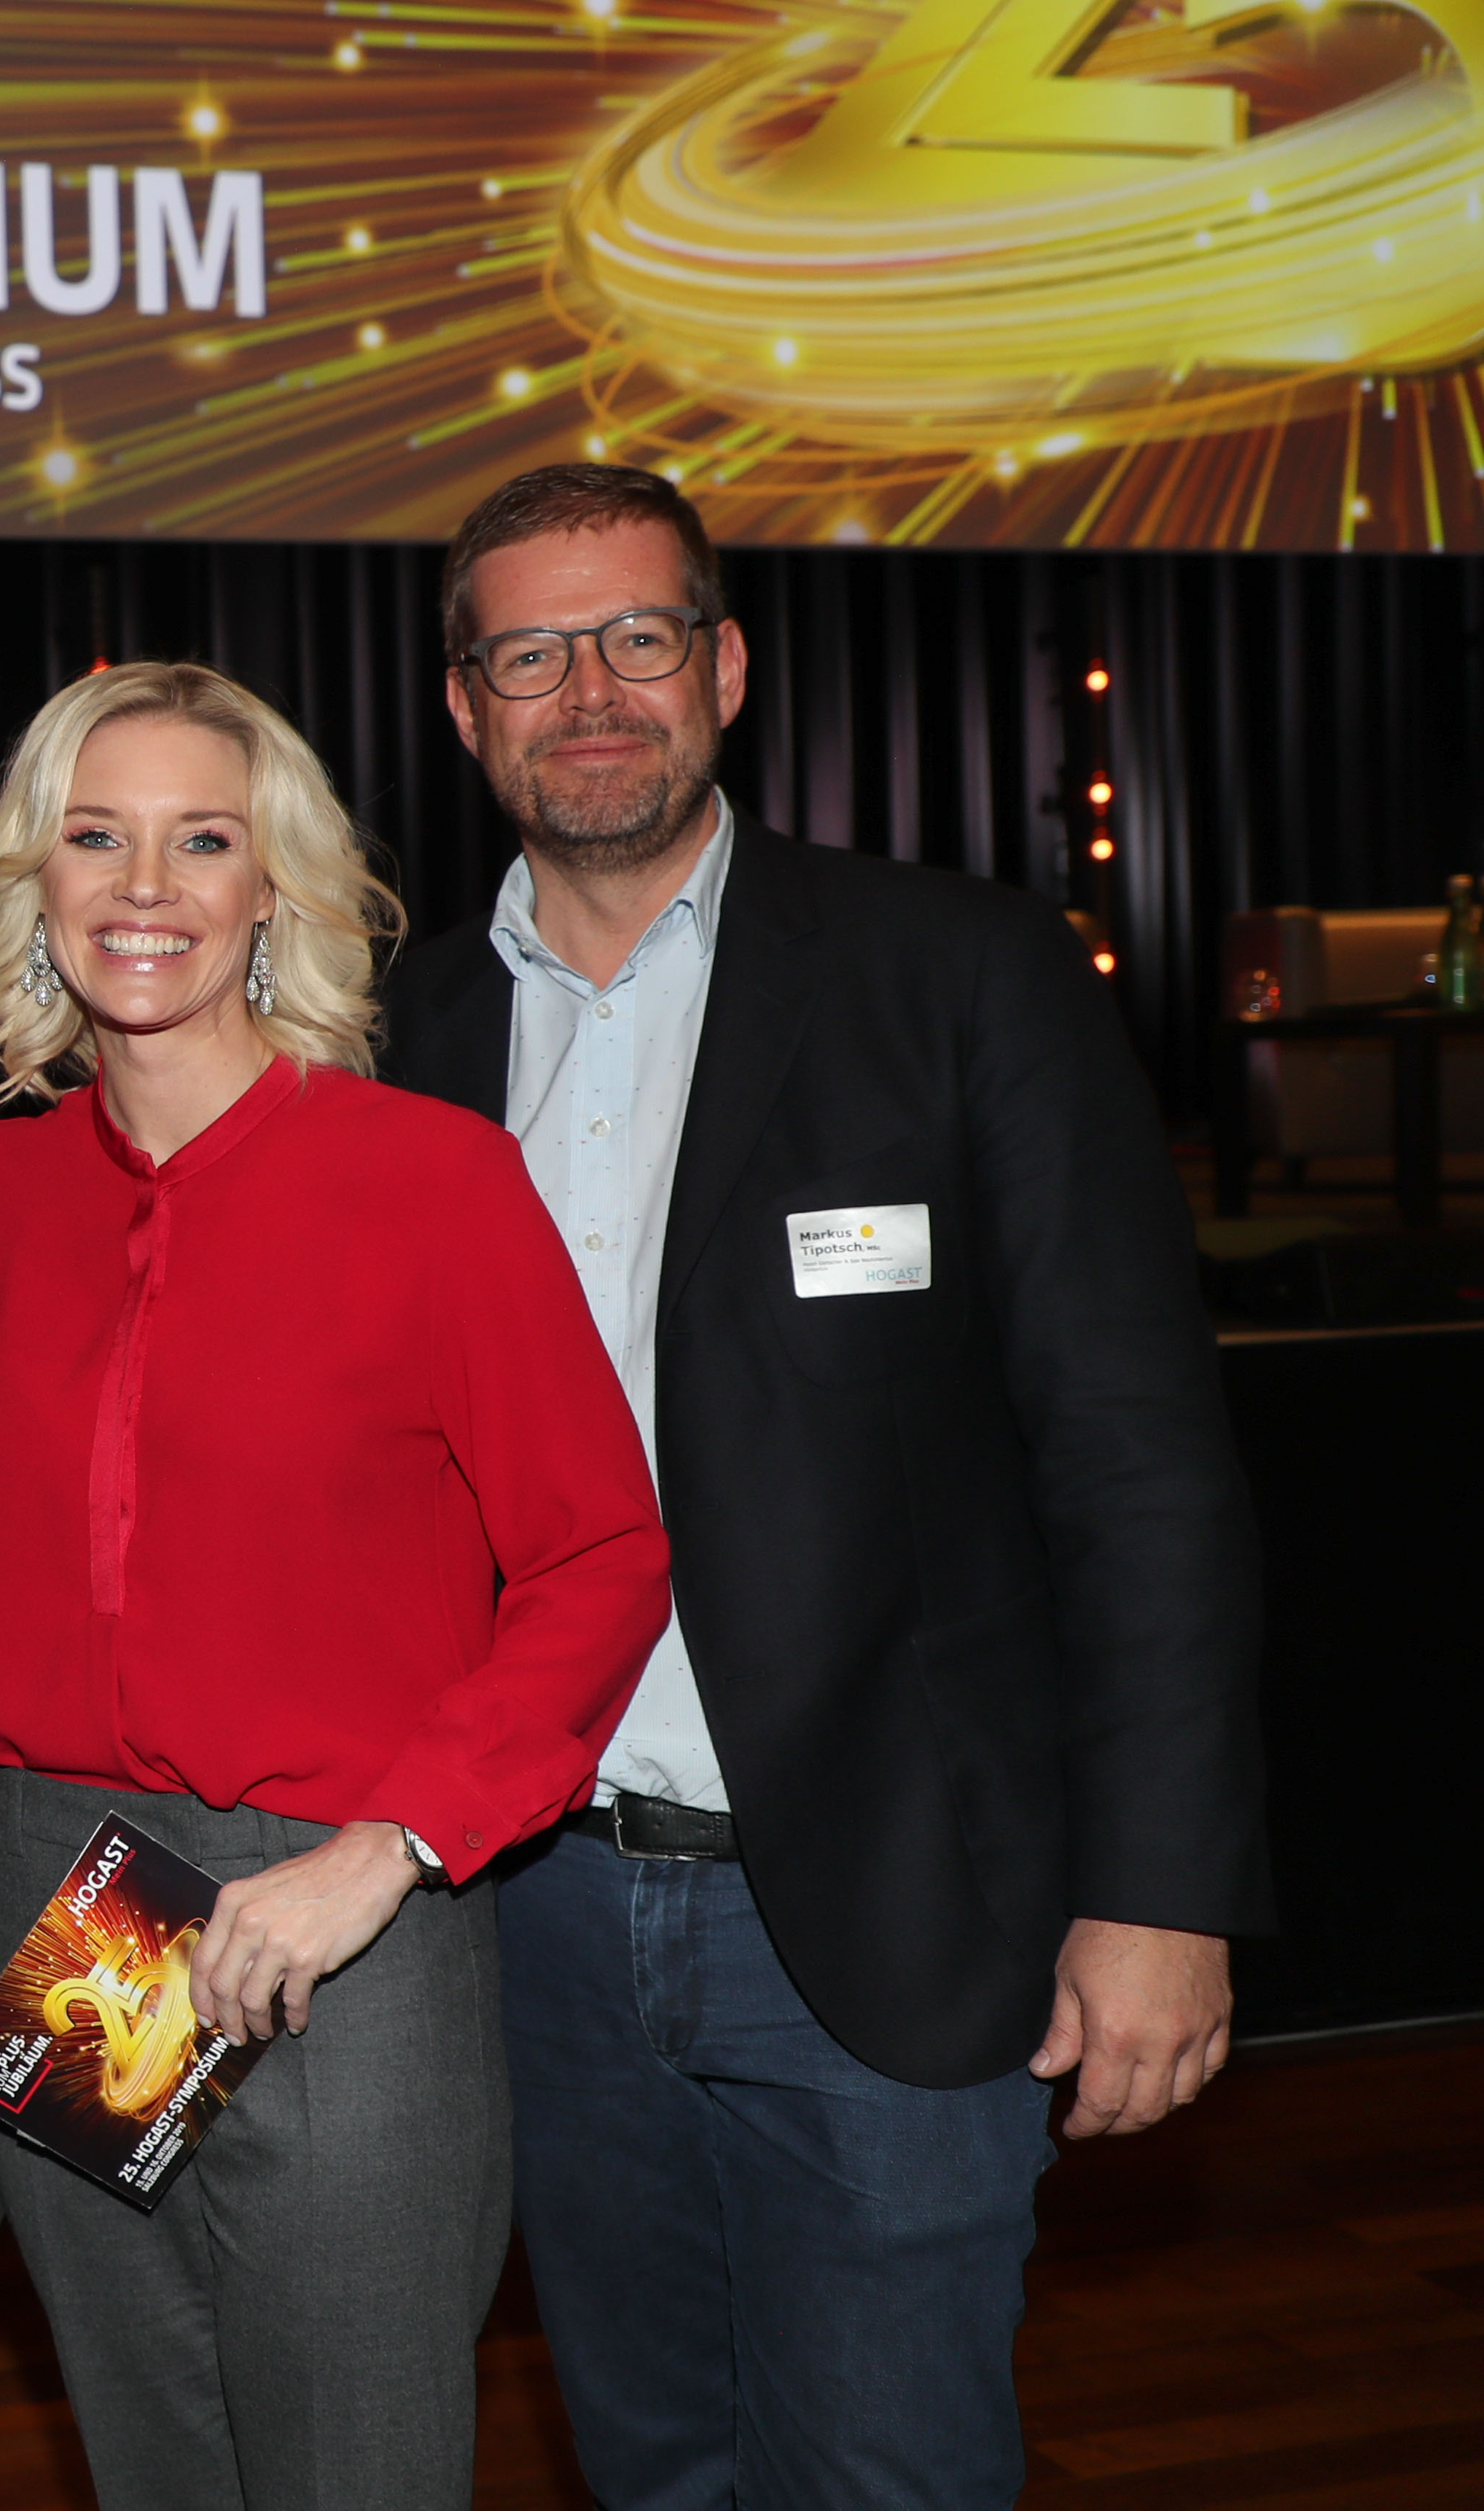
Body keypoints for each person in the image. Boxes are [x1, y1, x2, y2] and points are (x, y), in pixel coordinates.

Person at [382, 463, 1271, 2509]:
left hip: (887, 1907)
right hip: (529, 1918)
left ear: (726, 668)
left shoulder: (954, 971)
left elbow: (1137, 1463)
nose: (588, 691)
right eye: (530, 653)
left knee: (886, 2476)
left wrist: (1160, 1888)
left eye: (636, 636)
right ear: (463, 708)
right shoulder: (399, 1033)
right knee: (655, 2467)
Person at [0, 660, 675, 2511]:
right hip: (68, 1905)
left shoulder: (434, 1182)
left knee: (356, 2469)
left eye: (200, 841)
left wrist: (387, 1846)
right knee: (153, 2458)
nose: (141, 886)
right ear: (30, 880)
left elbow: (599, 1555)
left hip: (335, 1913)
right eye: (94, 837)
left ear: (272, 891)